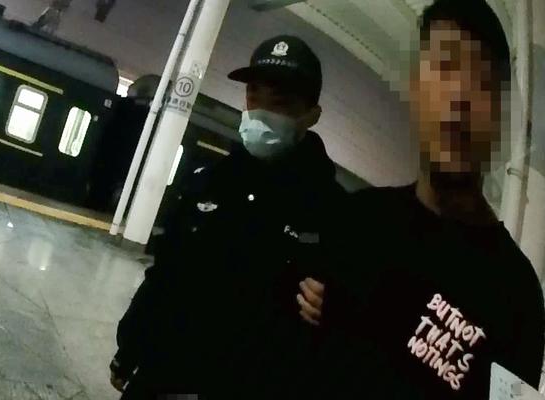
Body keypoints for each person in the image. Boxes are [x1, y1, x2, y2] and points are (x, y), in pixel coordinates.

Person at [297, 0, 545, 398]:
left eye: (482, 80)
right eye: (444, 68)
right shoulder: (356, 220)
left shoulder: (517, 296)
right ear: (416, 92)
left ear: (499, 118)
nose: (460, 95)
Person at [110, 35, 344, 399]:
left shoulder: (334, 213)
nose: (261, 112)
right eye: (254, 96)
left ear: (310, 116)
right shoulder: (209, 182)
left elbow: (333, 333)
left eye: (280, 102)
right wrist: (129, 348)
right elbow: (164, 275)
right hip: (161, 375)